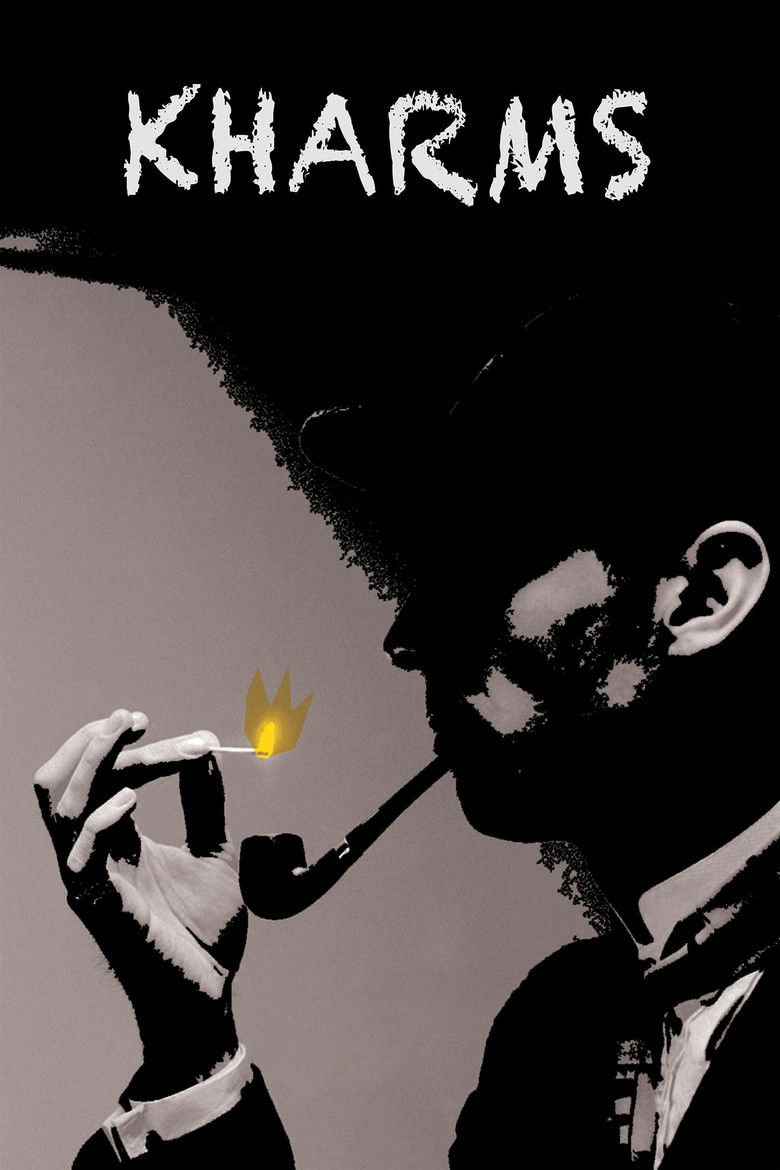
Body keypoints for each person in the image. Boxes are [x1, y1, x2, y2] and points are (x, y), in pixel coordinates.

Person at [34, 294, 778, 1167]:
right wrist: (193, 1046)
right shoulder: (555, 1034)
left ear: (702, 594)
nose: (405, 637)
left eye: (483, 557)